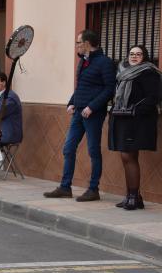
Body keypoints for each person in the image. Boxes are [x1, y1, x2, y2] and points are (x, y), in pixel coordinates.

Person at [44, 30, 116, 201]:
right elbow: (81, 86)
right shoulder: (83, 61)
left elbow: (109, 89)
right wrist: (71, 102)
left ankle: (93, 189)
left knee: (93, 151)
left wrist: (92, 107)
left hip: (93, 114)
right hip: (78, 113)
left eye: (78, 42)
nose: (76, 45)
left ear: (87, 44)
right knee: (68, 148)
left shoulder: (105, 63)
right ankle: (65, 187)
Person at [109, 45, 161, 210]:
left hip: (138, 120)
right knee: (127, 156)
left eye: (139, 54)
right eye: (132, 54)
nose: (134, 56)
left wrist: (135, 110)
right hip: (122, 118)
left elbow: (155, 96)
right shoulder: (122, 71)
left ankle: (132, 196)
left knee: (128, 156)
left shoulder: (149, 72)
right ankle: (134, 197)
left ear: (144, 57)